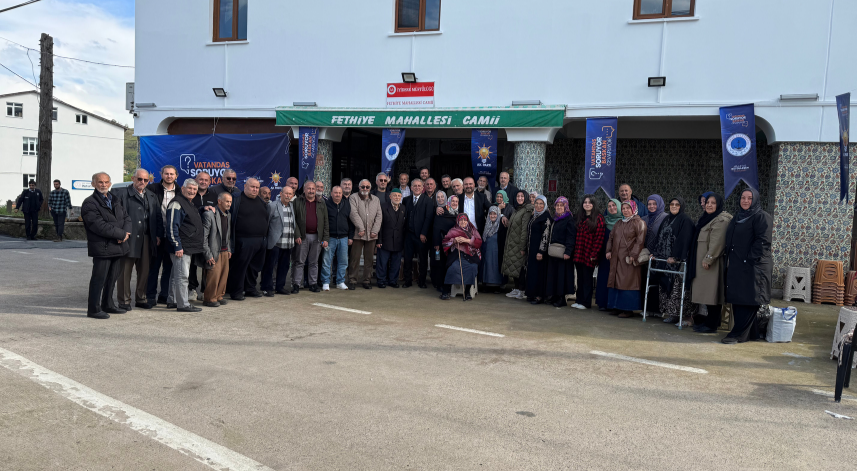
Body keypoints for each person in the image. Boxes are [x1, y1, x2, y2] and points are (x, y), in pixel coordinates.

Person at [721, 188, 772, 344]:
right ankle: (753, 333)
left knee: (749, 298)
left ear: (755, 200)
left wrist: (748, 259)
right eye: (743, 197)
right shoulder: (738, 217)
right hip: (738, 265)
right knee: (738, 298)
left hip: (753, 267)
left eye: (749, 198)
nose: (745, 201)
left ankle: (738, 334)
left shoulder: (761, 217)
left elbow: (763, 242)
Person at [82, 172, 131, 319]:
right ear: (93, 184)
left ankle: (108, 304)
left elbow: (127, 218)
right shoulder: (90, 203)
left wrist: (125, 233)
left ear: (110, 183)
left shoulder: (115, 199)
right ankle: (93, 309)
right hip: (102, 247)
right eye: (100, 182)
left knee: (112, 278)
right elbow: (98, 225)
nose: (103, 185)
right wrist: (120, 234)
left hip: (118, 246)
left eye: (106, 182)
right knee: (99, 279)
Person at [112, 168, 163, 311]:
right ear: (133, 178)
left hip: (147, 238)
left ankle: (141, 298)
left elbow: (158, 217)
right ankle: (124, 301)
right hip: (128, 238)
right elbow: (115, 217)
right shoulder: (121, 194)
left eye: (146, 180)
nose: (142, 182)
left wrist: (157, 235)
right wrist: (120, 234)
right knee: (124, 271)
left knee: (145, 271)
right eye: (139, 179)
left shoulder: (152, 196)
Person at [690, 193, 732, 334]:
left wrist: (709, 259)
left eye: (713, 203)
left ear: (718, 205)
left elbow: (717, 242)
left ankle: (712, 324)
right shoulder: (708, 218)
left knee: (712, 294)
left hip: (710, 264)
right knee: (707, 293)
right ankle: (711, 322)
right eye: (707, 202)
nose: (709, 205)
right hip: (703, 263)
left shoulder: (721, 220)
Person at [652, 197, 696, 326]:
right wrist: (655, 254)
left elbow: (684, 240)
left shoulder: (685, 220)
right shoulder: (667, 219)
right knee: (667, 289)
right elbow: (660, 237)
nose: (674, 206)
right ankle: (673, 315)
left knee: (678, 289)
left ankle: (685, 316)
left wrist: (676, 257)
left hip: (677, 263)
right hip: (665, 262)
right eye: (672, 204)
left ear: (682, 206)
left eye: (677, 204)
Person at [165, 179, 205, 312]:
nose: (192, 191)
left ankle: (172, 300)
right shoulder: (177, 203)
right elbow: (171, 226)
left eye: (194, 189)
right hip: (181, 247)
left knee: (175, 275)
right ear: (183, 189)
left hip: (186, 246)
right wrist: (177, 245)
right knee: (182, 276)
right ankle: (183, 304)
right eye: (189, 188)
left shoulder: (188, 203)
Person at [226, 177, 268, 300]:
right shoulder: (236, 199)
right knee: (240, 267)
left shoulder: (261, 201)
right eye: (252, 187)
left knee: (254, 268)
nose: (255, 189)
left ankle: (250, 288)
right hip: (243, 240)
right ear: (245, 186)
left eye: (257, 187)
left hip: (260, 241)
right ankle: (236, 291)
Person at [605, 200, 646, 318]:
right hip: (616, 258)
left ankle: (628, 309)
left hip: (628, 259)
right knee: (616, 281)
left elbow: (640, 241)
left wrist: (633, 255)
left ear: (633, 209)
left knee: (628, 283)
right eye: (623, 208)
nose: (625, 210)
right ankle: (616, 307)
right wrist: (608, 250)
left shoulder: (639, 222)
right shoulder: (619, 223)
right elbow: (611, 238)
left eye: (628, 208)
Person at [147, 165, 178, 305]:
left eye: (171, 174)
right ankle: (150, 296)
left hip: (172, 236)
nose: (169, 176)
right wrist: (155, 233)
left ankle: (164, 295)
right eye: (166, 173)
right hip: (157, 236)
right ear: (162, 174)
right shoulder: (152, 189)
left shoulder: (180, 191)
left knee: (168, 268)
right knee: (153, 267)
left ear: (176, 176)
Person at [293, 180, 329, 293]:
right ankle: (296, 284)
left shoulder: (321, 203)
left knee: (314, 262)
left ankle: (313, 284)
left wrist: (325, 238)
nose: (311, 191)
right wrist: (297, 235)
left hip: (317, 237)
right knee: (299, 262)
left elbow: (326, 221)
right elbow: (293, 220)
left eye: (313, 189)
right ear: (304, 190)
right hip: (302, 237)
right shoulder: (297, 201)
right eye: (309, 188)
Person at [571, 195, 605, 310]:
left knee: (587, 278)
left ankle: (586, 302)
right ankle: (579, 300)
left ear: (594, 204)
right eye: (585, 202)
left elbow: (599, 238)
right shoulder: (579, 217)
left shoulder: (598, 218)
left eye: (590, 202)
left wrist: (594, 254)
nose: (587, 204)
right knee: (580, 278)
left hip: (589, 253)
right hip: (579, 252)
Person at [189, 171, 218, 300]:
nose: (203, 182)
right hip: (192, 235)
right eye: (201, 179)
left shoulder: (214, 196)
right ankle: (192, 289)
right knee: (192, 265)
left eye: (206, 180)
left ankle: (205, 290)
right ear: (196, 180)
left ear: (210, 182)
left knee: (208, 262)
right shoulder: (190, 194)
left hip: (208, 237)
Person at [261, 186, 295, 296]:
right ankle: (266, 287)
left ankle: (280, 287)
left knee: (284, 267)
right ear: (281, 194)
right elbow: (266, 223)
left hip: (288, 242)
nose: (288, 196)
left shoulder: (292, 206)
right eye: (286, 193)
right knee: (270, 266)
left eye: (290, 194)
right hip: (275, 242)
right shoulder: (272, 206)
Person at [348, 179, 382, 290]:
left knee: (369, 259)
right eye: (363, 187)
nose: (365, 189)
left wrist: (375, 230)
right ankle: (353, 280)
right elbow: (353, 213)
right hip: (358, 234)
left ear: (370, 188)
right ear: (359, 187)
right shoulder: (353, 198)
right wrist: (361, 228)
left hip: (372, 235)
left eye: (367, 187)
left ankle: (367, 280)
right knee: (355, 258)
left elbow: (379, 216)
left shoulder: (376, 199)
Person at [441, 214, 483, 300]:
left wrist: (467, 240)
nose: (463, 222)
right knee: (452, 268)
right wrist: (454, 241)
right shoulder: (453, 230)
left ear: (467, 221)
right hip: (457, 255)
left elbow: (479, 242)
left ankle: (467, 292)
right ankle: (445, 291)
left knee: (472, 268)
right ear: (458, 221)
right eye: (461, 220)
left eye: (465, 220)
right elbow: (445, 242)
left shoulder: (473, 230)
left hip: (470, 256)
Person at [544, 197, 577, 307]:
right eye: (557, 205)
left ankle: (561, 298)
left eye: (561, 205)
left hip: (563, 253)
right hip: (554, 252)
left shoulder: (569, 220)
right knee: (554, 275)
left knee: (562, 277)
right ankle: (554, 296)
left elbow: (571, 237)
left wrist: (568, 251)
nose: (559, 207)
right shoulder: (555, 219)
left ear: (565, 207)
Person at [202, 192, 233, 307]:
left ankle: (219, 296)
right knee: (213, 276)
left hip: (225, 250)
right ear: (219, 201)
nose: (229, 204)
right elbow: (204, 237)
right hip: (213, 251)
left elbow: (228, 234)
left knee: (223, 276)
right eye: (227, 201)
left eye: (230, 202)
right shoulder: (209, 214)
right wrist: (207, 254)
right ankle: (209, 299)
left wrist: (229, 249)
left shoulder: (228, 215)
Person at [502, 190, 533, 300]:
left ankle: (521, 290)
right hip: (512, 244)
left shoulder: (527, 210)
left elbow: (524, 230)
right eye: (518, 196)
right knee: (514, 268)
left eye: (522, 196)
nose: (519, 198)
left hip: (519, 244)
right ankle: (516, 288)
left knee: (520, 268)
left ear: (526, 197)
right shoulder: (517, 209)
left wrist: (522, 247)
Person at [321, 186, 352, 291]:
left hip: (344, 237)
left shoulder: (346, 204)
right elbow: (323, 222)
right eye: (335, 192)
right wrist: (324, 238)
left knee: (343, 261)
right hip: (330, 238)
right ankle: (325, 282)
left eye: (339, 193)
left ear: (342, 194)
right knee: (326, 261)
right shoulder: (326, 204)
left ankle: (340, 281)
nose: (337, 195)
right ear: (331, 193)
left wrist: (350, 236)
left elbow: (350, 221)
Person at [403, 178, 432, 288]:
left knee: (422, 259)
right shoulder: (406, 200)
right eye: (415, 186)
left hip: (421, 236)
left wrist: (423, 233)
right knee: (407, 259)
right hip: (408, 235)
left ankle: (422, 281)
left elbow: (428, 218)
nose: (417, 188)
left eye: (419, 186)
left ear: (423, 188)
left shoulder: (427, 200)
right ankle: (407, 281)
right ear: (411, 188)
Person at [642, 194, 668, 313]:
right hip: (645, 255)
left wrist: (657, 252)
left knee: (656, 282)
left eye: (654, 204)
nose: (651, 206)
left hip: (659, 256)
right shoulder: (644, 218)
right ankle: (646, 308)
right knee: (645, 281)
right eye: (649, 204)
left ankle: (657, 310)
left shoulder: (665, 218)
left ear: (660, 204)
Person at [376, 188, 406, 288]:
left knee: (396, 263)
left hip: (398, 240)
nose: (397, 197)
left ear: (401, 197)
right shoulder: (383, 207)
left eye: (399, 196)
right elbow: (379, 225)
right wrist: (379, 240)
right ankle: (381, 280)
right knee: (382, 262)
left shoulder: (403, 208)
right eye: (395, 195)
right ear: (390, 197)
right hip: (385, 240)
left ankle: (393, 280)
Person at [525, 195, 552, 304]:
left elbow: (546, 235)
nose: (538, 205)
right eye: (536, 203)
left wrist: (541, 251)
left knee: (539, 273)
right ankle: (531, 293)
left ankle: (539, 296)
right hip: (532, 249)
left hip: (540, 251)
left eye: (541, 204)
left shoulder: (546, 217)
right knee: (532, 272)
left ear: (545, 205)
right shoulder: (534, 216)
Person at [595, 199, 622, 310]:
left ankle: (614, 304)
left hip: (619, 255)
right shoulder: (604, 220)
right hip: (604, 255)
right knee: (604, 277)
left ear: (619, 207)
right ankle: (603, 302)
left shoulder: (624, 221)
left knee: (616, 279)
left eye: (614, 205)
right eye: (609, 206)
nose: (612, 208)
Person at [432, 192, 457, 292]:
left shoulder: (459, 213)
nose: (454, 203)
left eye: (456, 201)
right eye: (452, 201)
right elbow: (436, 228)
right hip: (442, 244)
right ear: (449, 202)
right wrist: (437, 244)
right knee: (441, 265)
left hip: (454, 245)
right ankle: (440, 285)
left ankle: (449, 285)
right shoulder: (442, 212)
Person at [479, 206, 504, 292]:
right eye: (491, 214)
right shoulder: (486, 225)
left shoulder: (501, 225)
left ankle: (497, 286)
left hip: (497, 251)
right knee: (487, 266)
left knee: (496, 266)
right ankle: (486, 284)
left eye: (495, 214)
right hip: (487, 251)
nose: (492, 216)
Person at [494, 190, 513, 276]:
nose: (499, 198)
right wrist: (499, 209)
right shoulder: (494, 206)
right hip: (495, 235)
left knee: (503, 256)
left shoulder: (510, 207)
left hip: (505, 235)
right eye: (497, 196)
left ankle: (503, 279)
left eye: (501, 197)